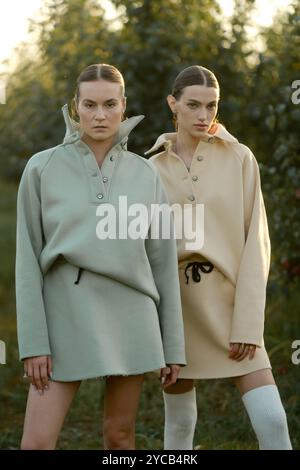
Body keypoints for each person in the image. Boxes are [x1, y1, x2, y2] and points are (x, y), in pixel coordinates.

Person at [15, 63, 186, 450]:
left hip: (132, 314)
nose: (99, 114)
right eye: (89, 104)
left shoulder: (145, 174)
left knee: (120, 437)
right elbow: (26, 261)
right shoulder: (41, 168)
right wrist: (33, 343)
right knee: (36, 443)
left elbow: (161, 261)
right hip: (64, 313)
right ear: (76, 106)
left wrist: (172, 344)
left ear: (123, 106)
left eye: (110, 104)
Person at [145, 65, 292, 450]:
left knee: (274, 422)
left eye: (211, 106)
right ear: (172, 104)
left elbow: (257, 244)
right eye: (193, 105)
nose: (203, 115)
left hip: (231, 308)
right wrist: (155, 324)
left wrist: (248, 323)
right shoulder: (150, 168)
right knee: (178, 425)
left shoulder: (241, 158)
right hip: (177, 311)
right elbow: (143, 251)